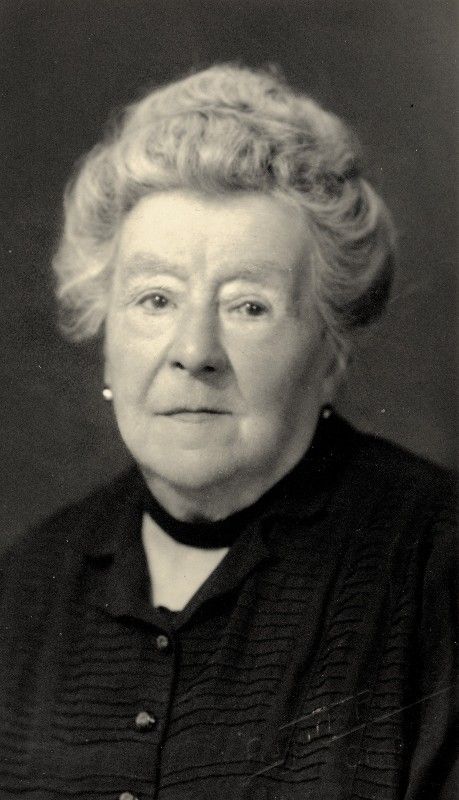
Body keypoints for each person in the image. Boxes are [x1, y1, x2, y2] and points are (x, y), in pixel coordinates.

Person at [0, 64, 455, 800]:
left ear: (329, 352)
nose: (194, 351)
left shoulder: (437, 564)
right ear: (105, 336)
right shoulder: (24, 588)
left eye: (249, 306)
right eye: (155, 299)